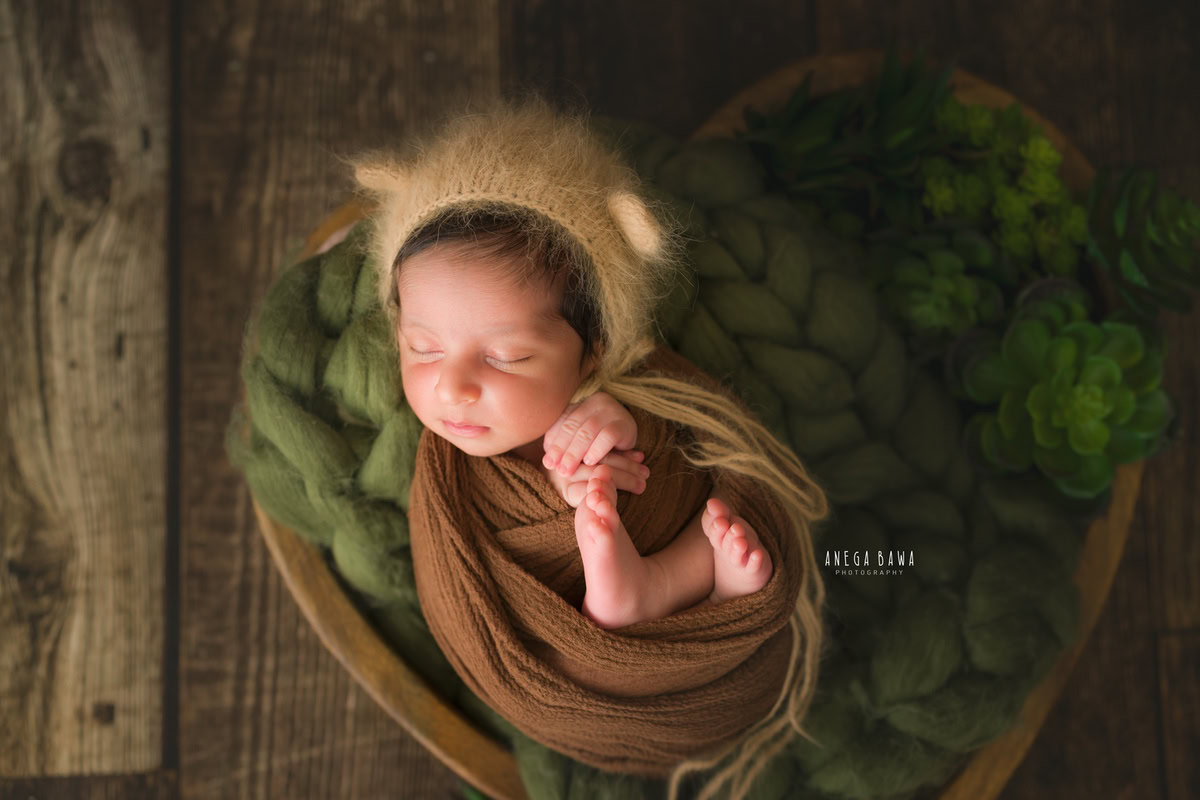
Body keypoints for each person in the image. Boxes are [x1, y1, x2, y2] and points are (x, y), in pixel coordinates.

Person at [340, 92, 830, 799]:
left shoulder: (632, 388)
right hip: (573, 687)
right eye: (421, 348)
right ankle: (655, 591)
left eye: (506, 357)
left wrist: (617, 419)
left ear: (592, 353)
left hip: (712, 632)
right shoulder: (444, 475)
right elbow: (460, 602)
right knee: (611, 523)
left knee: (703, 504)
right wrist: (565, 498)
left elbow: (711, 436)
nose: (453, 388)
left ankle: (679, 582)